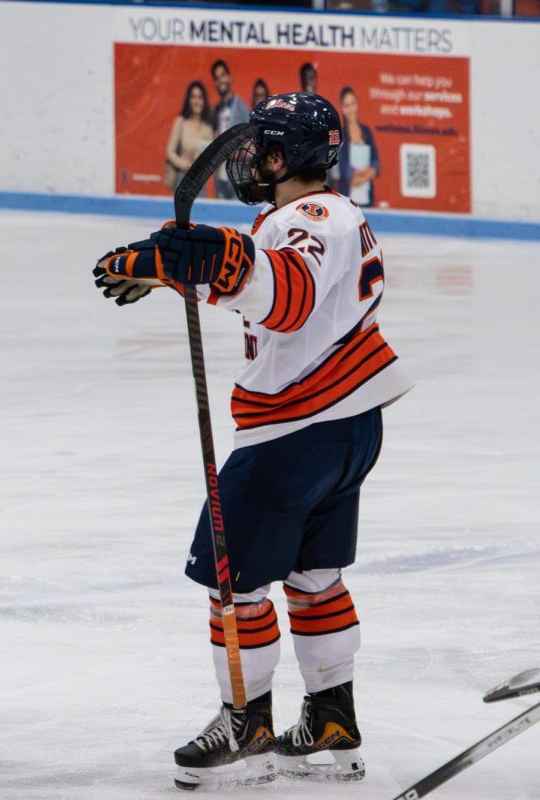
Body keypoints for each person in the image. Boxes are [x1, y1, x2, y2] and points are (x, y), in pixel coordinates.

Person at [92, 93, 413, 790]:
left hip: (295, 432)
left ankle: (247, 726)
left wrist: (214, 254)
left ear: (284, 157)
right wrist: (172, 265)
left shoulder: (311, 219)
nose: (248, 161)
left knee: (233, 584)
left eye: (260, 149)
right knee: (314, 575)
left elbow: (285, 293)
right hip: (347, 427)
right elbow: (267, 292)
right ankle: (331, 720)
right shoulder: (322, 217)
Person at [209, 59, 249, 199]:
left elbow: (251, 139)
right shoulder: (216, 110)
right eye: (217, 77)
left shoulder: (241, 108)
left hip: (238, 172)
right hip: (221, 171)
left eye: (223, 75)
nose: (221, 80)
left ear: (229, 77)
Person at [165, 81, 215, 190]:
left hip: (200, 183)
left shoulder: (208, 128)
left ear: (204, 101)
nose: (197, 101)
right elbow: (170, 151)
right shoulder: (181, 122)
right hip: (182, 179)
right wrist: (184, 165)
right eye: (193, 97)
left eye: (200, 97)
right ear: (188, 100)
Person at [335, 87, 380, 207]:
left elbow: (375, 162)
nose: (351, 109)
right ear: (342, 108)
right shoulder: (341, 134)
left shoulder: (366, 132)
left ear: (357, 105)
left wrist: (362, 178)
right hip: (347, 199)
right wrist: (364, 173)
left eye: (352, 104)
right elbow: (343, 168)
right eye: (346, 105)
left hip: (367, 198)